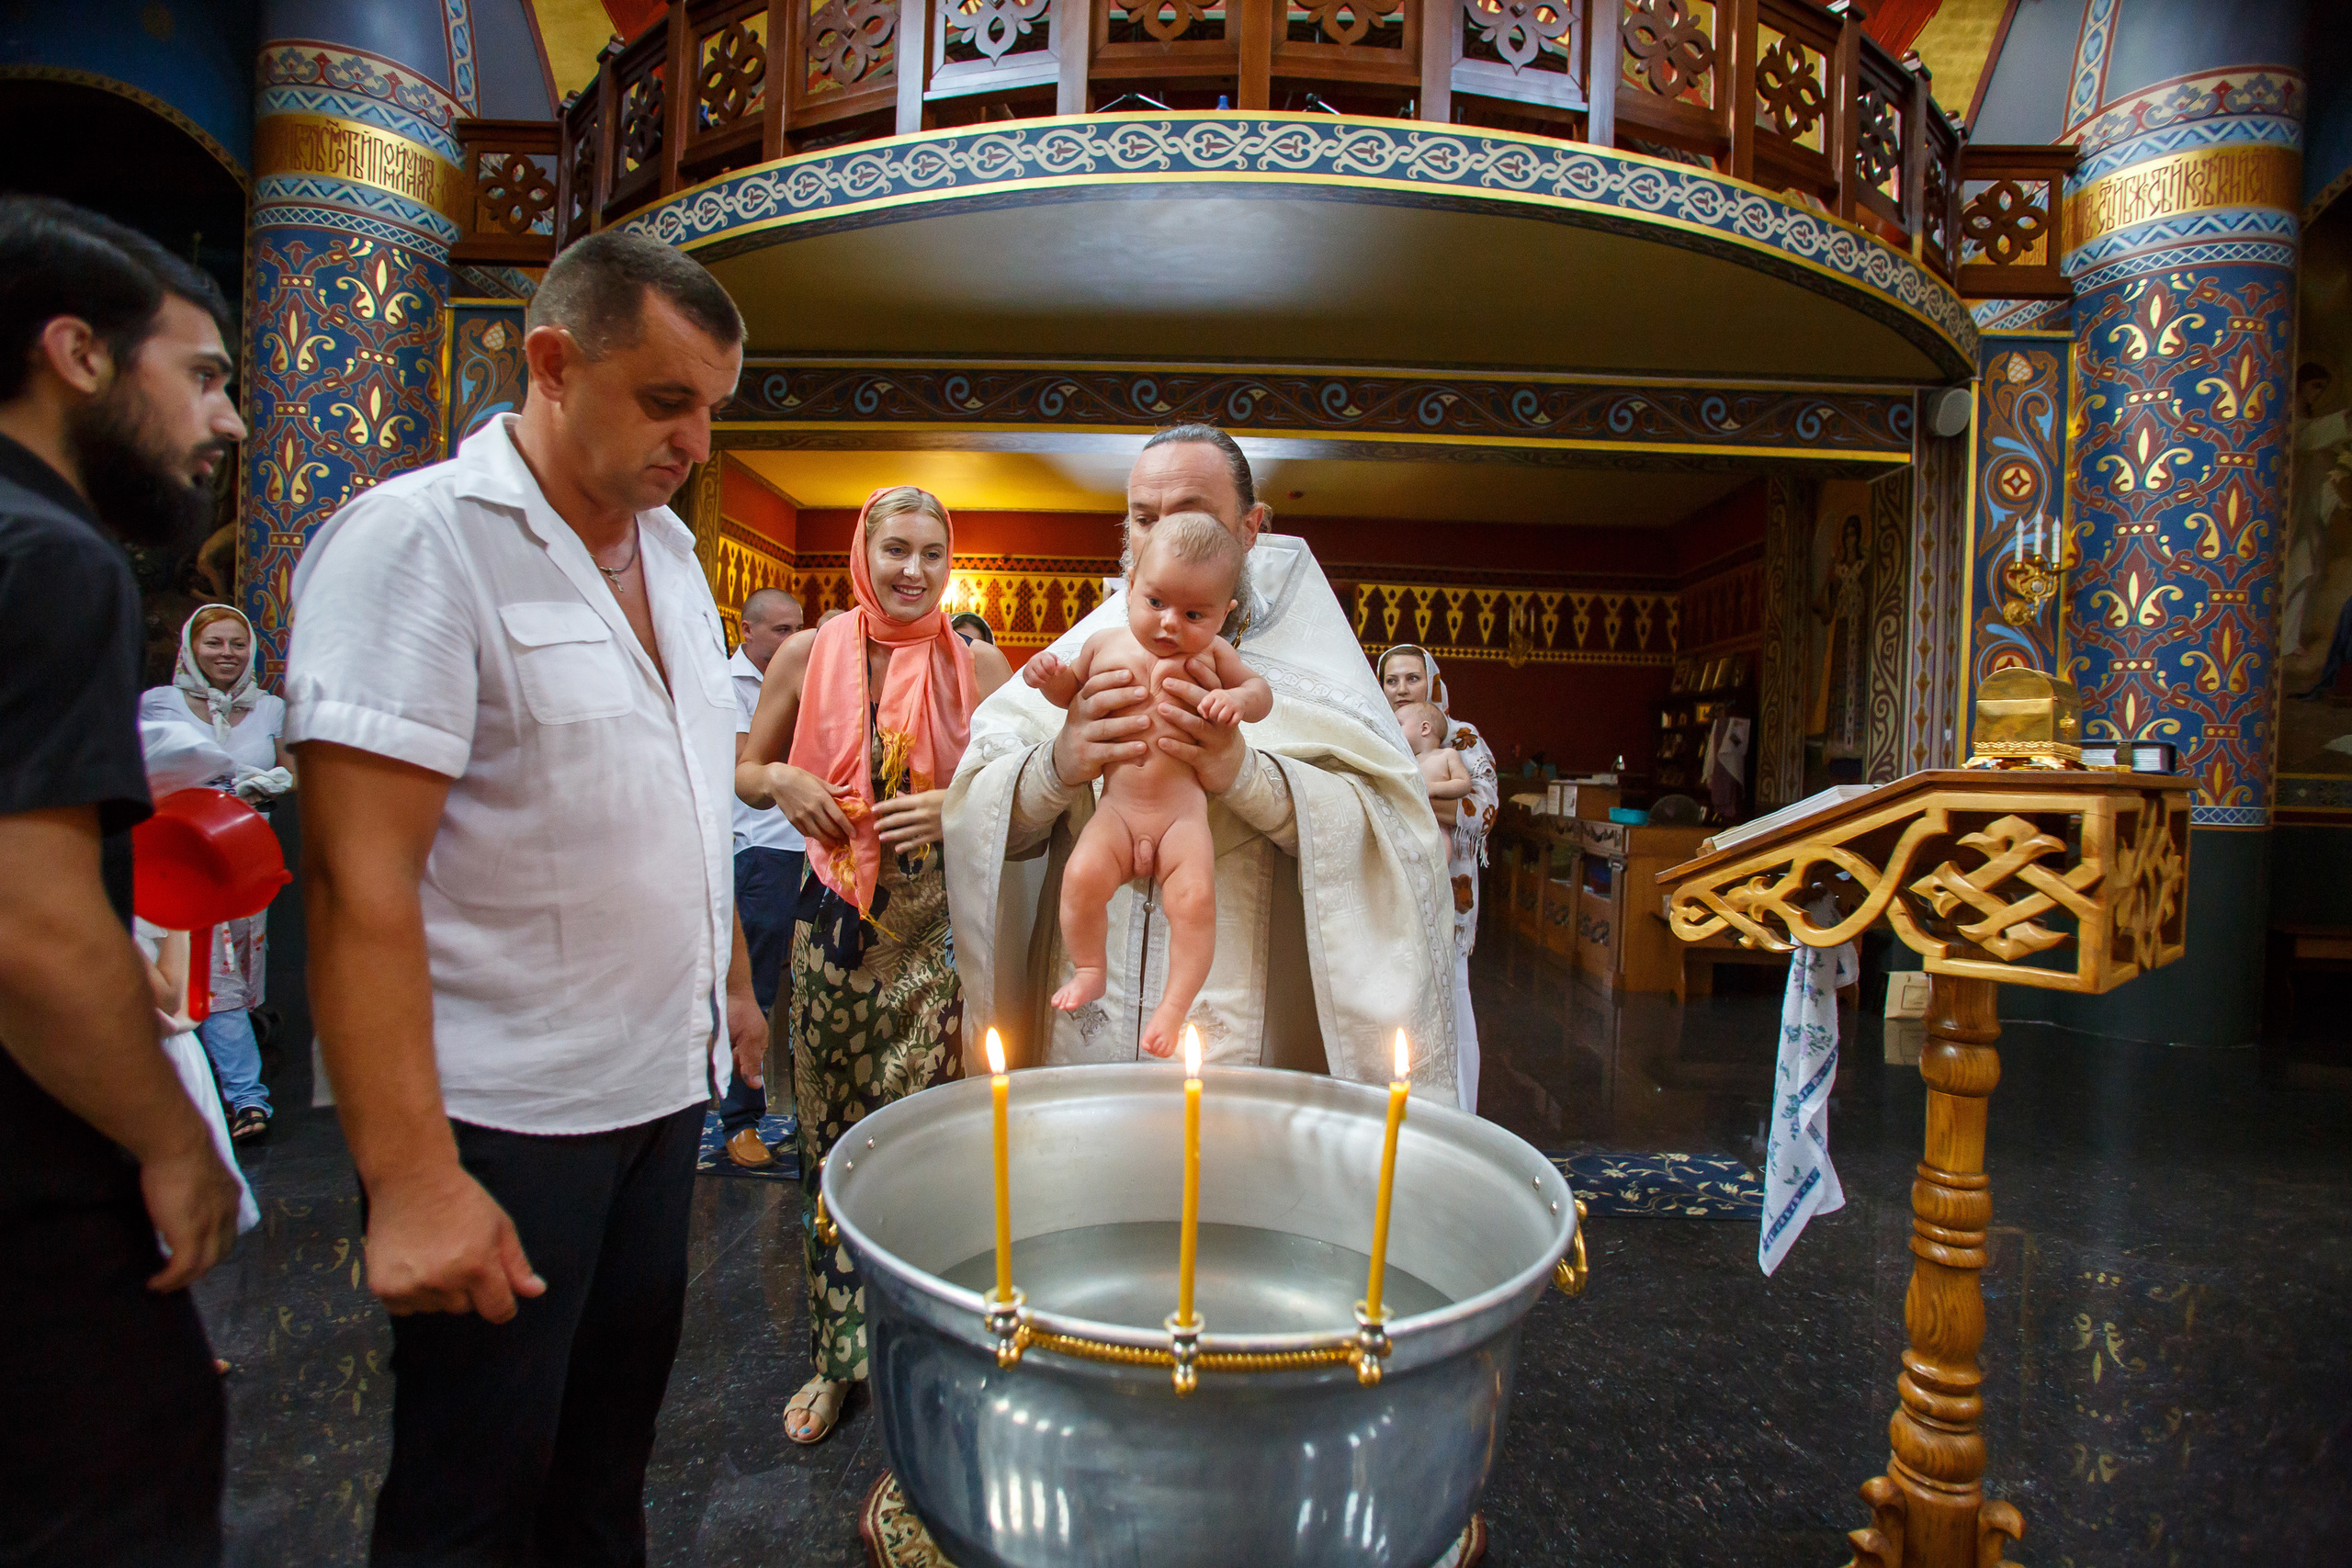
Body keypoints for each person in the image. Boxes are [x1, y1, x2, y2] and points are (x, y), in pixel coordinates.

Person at [284, 230, 768, 1566]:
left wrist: (729, 985)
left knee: (607, 1471)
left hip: (660, 1096)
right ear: (551, 364)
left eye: (712, 410)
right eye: (666, 401)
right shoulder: (418, 545)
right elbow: (354, 880)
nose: (696, 443)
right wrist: (415, 1178)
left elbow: (684, 797)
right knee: (474, 1494)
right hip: (503, 1121)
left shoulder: (669, 553)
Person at [946, 425, 1456, 1093]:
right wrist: (1059, 761)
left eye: (1189, 513)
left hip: (1246, 1041)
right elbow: (979, 823)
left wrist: (1244, 774)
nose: (1159, 535)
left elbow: (1392, 834)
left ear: (1251, 528)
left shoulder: (1313, 666)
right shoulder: (1094, 648)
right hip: (1083, 1039)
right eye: (1142, 517)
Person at [0, 195, 245, 1567]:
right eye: (203, 376)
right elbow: (27, 924)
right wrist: (172, 1141)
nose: (228, 422)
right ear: (79, 355)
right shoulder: (51, 558)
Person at [736, 485, 1012, 1445]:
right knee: (830, 1148)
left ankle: (933, 1351)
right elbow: (745, 766)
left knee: (938, 1150)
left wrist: (954, 803)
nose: (912, 571)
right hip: (836, 928)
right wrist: (780, 778)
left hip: (936, 939)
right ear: (864, 550)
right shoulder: (811, 653)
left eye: (932, 553)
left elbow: (1026, 791)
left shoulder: (974, 663)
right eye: (896, 549)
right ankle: (835, 1358)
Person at [1022, 513, 1272, 1055]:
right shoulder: (1102, 645)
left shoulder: (1212, 656)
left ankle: (1175, 1005)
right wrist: (1051, 680)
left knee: (1195, 901)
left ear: (1224, 614)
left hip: (1183, 819)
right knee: (1082, 877)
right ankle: (1090, 967)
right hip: (1115, 813)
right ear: (1131, 583)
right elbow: (1072, 697)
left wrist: (1236, 701)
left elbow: (1260, 691)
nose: (1169, 625)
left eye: (1194, 613)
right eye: (1156, 603)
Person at [139, 602, 294, 1141]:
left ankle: (223, 1066)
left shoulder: (271, 707)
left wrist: (266, 783)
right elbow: (148, 767)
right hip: (184, 847)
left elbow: (290, 771)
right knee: (216, 967)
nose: (226, 654)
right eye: (214, 643)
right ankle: (248, 1098)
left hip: (250, 850)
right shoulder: (159, 703)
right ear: (190, 648)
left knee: (244, 963)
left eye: (237, 644)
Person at [1377, 643, 1498, 1113]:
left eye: (1412, 678)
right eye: (1391, 680)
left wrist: (1404, 795)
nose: (1402, 689)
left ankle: (1459, 1115)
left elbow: (1481, 807)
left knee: (1450, 994)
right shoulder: (1377, 732)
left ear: (1432, 681)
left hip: (1451, 885)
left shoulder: (1461, 737)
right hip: (1389, 885)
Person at [719, 584, 806, 1169]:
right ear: (746, 631)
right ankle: (739, 1120)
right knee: (752, 992)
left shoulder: (809, 674)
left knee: (812, 993)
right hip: (762, 850)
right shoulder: (726, 689)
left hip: (811, 849)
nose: (792, 639)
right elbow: (746, 767)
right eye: (780, 629)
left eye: (796, 628)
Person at [1397, 700, 1473, 825]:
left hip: (1438, 826)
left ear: (1425, 728)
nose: (1392, 731)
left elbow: (1464, 784)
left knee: (1443, 842)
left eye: (1398, 725)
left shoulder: (1447, 754)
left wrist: (1434, 788)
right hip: (1411, 825)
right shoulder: (1405, 761)